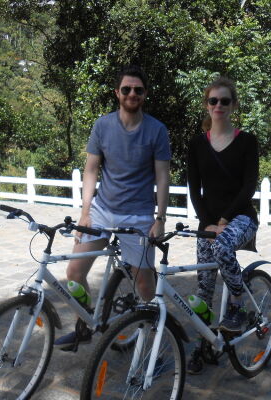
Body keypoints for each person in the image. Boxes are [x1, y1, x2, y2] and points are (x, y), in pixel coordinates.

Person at [54, 65, 171, 350]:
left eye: (138, 90)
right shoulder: (102, 126)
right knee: (74, 273)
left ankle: (152, 342)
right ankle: (83, 326)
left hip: (139, 215)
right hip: (102, 210)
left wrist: (160, 218)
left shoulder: (156, 130)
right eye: (127, 89)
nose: (132, 94)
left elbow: (162, 175)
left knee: (145, 285)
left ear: (145, 94)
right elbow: (91, 169)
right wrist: (85, 211)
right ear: (117, 93)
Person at [186, 76, 259, 373]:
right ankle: (203, 348)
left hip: (240, 217)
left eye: (224, 101)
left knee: (224, 247)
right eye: (213, 100)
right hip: (208, 221)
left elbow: (247, 188)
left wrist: (223, 222)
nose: (218, 106)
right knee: (203, 291)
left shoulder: (246, 141)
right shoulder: (196, 145)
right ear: (207, 105)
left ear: (233, 105)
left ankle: (238, 305)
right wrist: (208, 223)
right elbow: (194, 189)